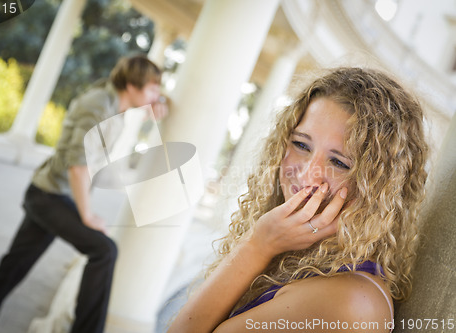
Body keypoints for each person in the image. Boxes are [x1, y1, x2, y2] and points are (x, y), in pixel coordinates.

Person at [168, 67, 428, 333]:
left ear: (379, 187)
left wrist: (259, 245)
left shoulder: (351, 302)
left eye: (339, 162)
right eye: (301, 145)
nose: (306, 175)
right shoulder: (305, 261)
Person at [0, 55, 168, 333]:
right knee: (104, 250)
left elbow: (139, 97)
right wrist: (87, 215)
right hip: (49, 197)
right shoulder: (98, 105)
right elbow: (77, 166)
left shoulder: (115, 104)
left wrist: (154, 103)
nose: (156, 94)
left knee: (10, 270)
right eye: (152, 88)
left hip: (49, 194)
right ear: (131, 86)